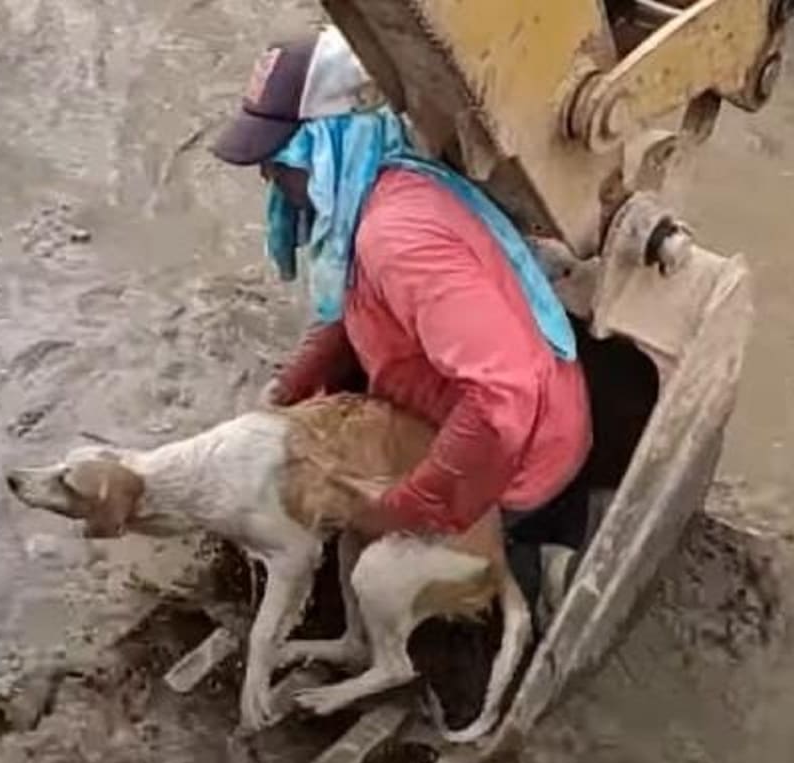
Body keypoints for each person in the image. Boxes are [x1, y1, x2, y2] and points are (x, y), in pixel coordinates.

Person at [211, 26, 593, 608]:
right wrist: (283, 393)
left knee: (362, 543)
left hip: (517, 467)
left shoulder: (397, 238)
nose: (269, 178)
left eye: (280, 159)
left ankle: (536, 566)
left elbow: (501, 401)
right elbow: (348, 308)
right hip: (482, 413)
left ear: (330, 142)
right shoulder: (381, 181)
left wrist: (406, 507)